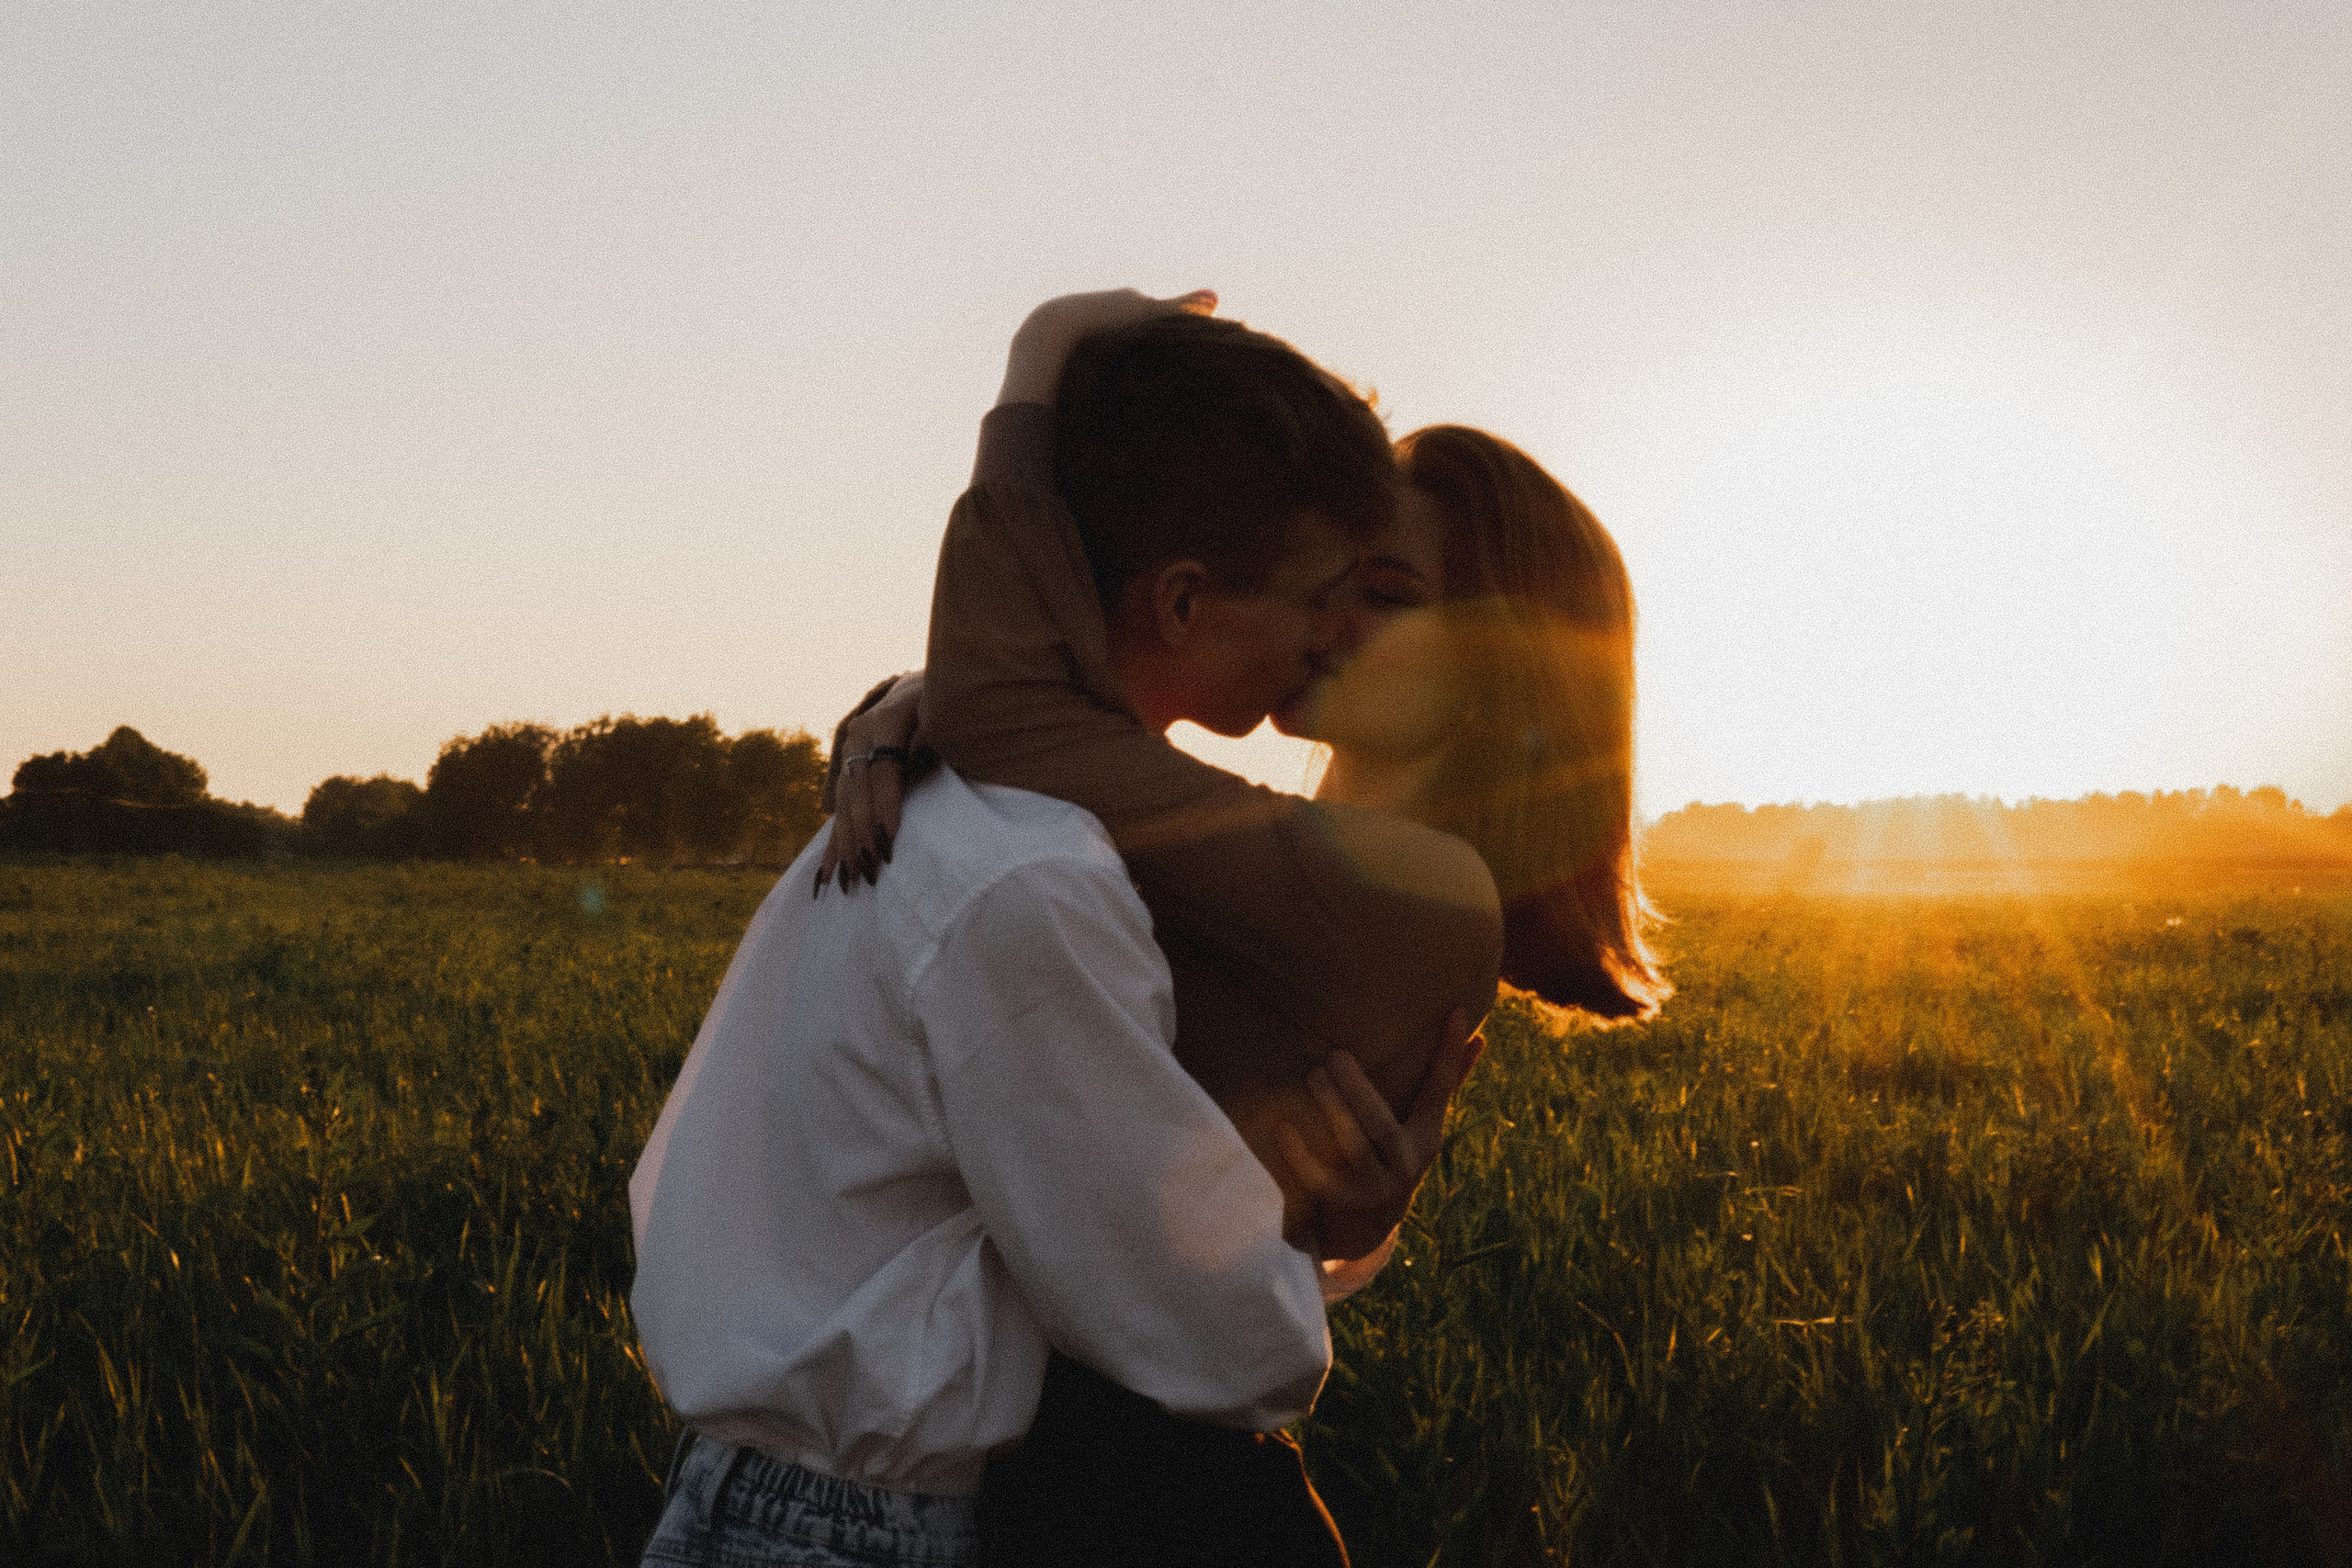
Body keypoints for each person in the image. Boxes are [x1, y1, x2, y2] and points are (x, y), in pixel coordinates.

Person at [627, 290, 1486, 1568]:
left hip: (762, 1501)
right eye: (1321, 595)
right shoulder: (1033, 880)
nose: (1332, 637)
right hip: (854, 1533)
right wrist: (1305, 1269)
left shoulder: (947, 810)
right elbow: (1197, 1328)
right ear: (1181, 604)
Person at [824, 291, 1668, 1563]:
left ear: (1506, 658)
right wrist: (926, 701)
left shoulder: (1425, 896)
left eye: (1383, 589)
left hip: (1142, 1505)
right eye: (1324, 572)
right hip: (1081, 1485)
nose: (1322, 609)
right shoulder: (1266, 855)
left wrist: (1039, 363)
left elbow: (1015, 721)